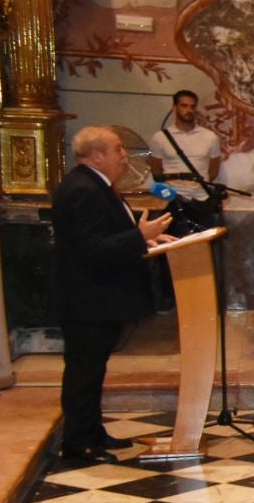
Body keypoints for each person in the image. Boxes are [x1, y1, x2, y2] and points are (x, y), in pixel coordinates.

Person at [52, 127, 176, 463]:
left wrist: (144, 239)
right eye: (118, 149)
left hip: (97, 299)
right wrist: (139, 236)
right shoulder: (83, 190)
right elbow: (92, 249)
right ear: (97, 155)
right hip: (88, 299)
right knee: (83, 374)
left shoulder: (95, 185)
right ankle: (77, 446)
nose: (125, 154)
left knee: (93, 371)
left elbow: (106, 236)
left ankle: (93, 433)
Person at [146, 88, 221, 208]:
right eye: (184, 106)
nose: (189, 110)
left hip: (202, 198)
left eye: (192, 106)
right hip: (172, 200)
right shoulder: (159, 138)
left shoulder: (210, 137)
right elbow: (156, 172)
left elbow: (214, 170)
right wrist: (169, 194)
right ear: (174, 107)